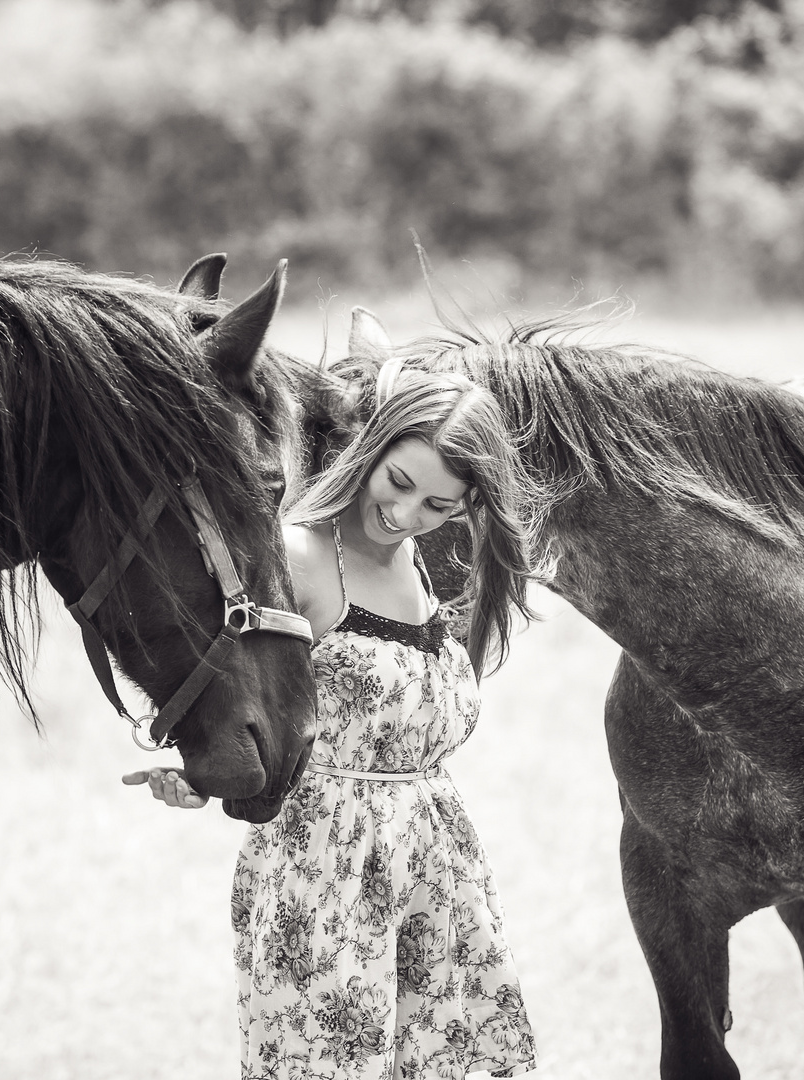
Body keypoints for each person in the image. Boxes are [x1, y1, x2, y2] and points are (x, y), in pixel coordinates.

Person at [124, 360, 539, 1079]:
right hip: (324, 871)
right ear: (373, 448)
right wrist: (205, 775)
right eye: (399, 483)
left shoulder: (423, 568)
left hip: (436, 869)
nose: (408, 515)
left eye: (439, 506)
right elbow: (240, 695)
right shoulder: (296, 556)